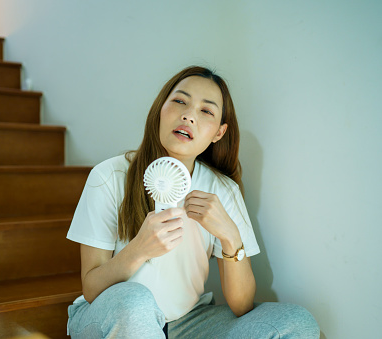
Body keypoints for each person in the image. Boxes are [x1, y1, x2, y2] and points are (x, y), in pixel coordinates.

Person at [66, 66, 319, 338]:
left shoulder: (222, 190)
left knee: (297, 321)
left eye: (206, 111)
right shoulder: (109, 176)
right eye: (179, 101)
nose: (188, 115)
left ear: (219, 133)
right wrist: (138, 250)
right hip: (109, 315)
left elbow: (242, 305)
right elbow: (91, 289)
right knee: (134, 301)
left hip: (187, 323)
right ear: (160, 110)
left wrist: (230, 236)